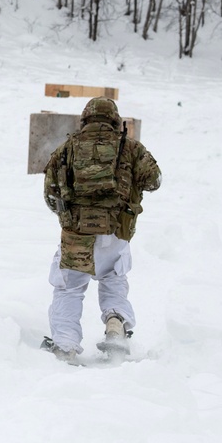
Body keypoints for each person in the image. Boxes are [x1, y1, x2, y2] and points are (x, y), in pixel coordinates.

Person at [41, 97, 161, 362]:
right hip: (116, 232)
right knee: (113, 279)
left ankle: (65, 344)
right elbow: (154, 180)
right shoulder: (131, 147)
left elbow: (50, 193)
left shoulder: (66, 149)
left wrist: (68, 215)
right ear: (116, 121)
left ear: (84, 120)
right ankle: (116, 327)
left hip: (76, 234)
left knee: (69, 287)